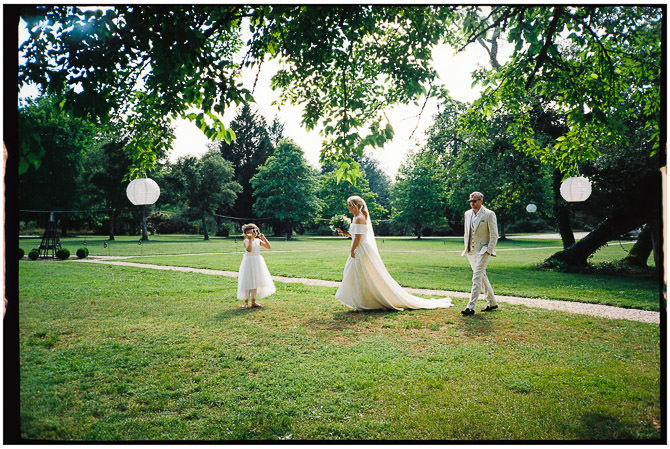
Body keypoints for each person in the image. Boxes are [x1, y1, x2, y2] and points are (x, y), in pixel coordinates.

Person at [334, 195, 452, 311]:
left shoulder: (359, 218)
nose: (348, 207)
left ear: (357, 206)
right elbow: (354, 235)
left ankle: (367, 301)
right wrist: (344, 233)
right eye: (348, 205)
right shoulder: (357, 217)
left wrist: (352, 250)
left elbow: (358, 238)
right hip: (359, 248)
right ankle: (361, 301)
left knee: (361, 274)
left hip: (360, 249)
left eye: (350, 205)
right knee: (357, 274)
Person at [461, 191, 499, 316]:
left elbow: (494, 234)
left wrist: (489, 250)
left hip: (483, 251)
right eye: (470, 201)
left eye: (475, 201)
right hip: (470, 251)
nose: (472, 203)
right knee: (482, 277)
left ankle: (470, 307)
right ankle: (492, 303)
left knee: (476, 277)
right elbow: (467, 233)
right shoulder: (467, 214)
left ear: (481, 201)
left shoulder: (489, 214)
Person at [237, 223, 275, 308]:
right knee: (248, 281)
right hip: (249, 261)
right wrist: (250, 239)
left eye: (257, 230)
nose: (256, 232)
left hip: (257, 262)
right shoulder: (246, 241)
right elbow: (249, 250)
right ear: (248, 233)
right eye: (254, 231)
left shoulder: (258, 241)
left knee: (255, 281)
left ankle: (254, 301)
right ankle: (245, 302)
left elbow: (268, 247)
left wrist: (263, 238)